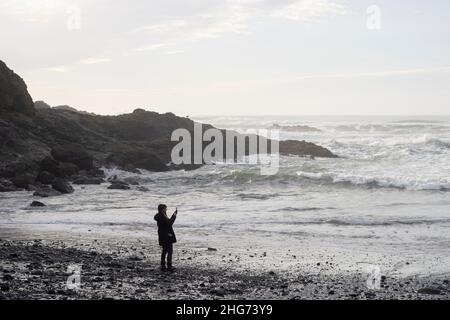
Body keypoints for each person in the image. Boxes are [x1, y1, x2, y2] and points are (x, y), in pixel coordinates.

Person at [154, 204, 178, 271]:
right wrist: (174, 215)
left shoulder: (161, 216)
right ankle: (169, 266)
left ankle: (163, 265)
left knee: (164, 251)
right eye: (165, 208)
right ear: (162, 209)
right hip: (167, 236)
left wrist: (174, 214)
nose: (166, 209)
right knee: (169, 251)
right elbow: (170, 223)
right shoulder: (162, 217)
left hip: (163, 235)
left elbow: (167, 223)